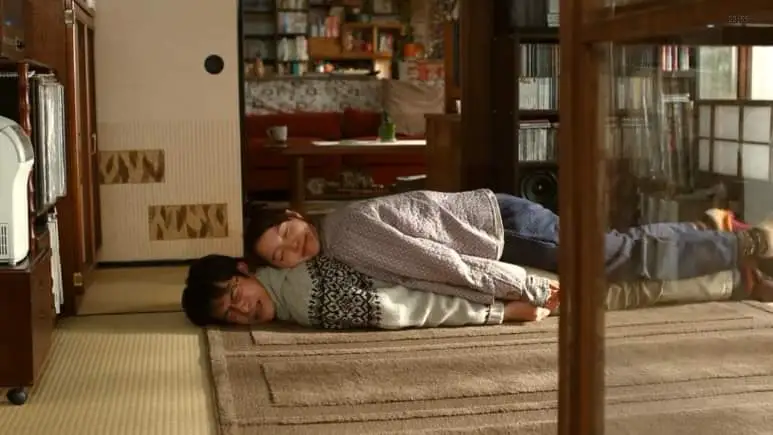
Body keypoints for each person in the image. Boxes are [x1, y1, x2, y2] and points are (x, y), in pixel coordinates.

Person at [244, 189, 773, 304]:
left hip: (503, 231)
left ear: (295, 215)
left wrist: (518, 289)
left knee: (617, 256)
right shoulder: (336, 238)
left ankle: (747, 243)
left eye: (286, 233)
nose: (292, 248)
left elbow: (438, 263)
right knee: (614, 258)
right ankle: (716, 235)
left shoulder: (344, 234)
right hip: (499, 225)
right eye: (279, 255)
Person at [181, 254, 559, 328]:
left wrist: (498, 313)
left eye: (235, 296)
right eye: (229, 315)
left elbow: (401, 308)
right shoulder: (291, 267)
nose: (242, 310)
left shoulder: (303, 298)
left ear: (243, 270)